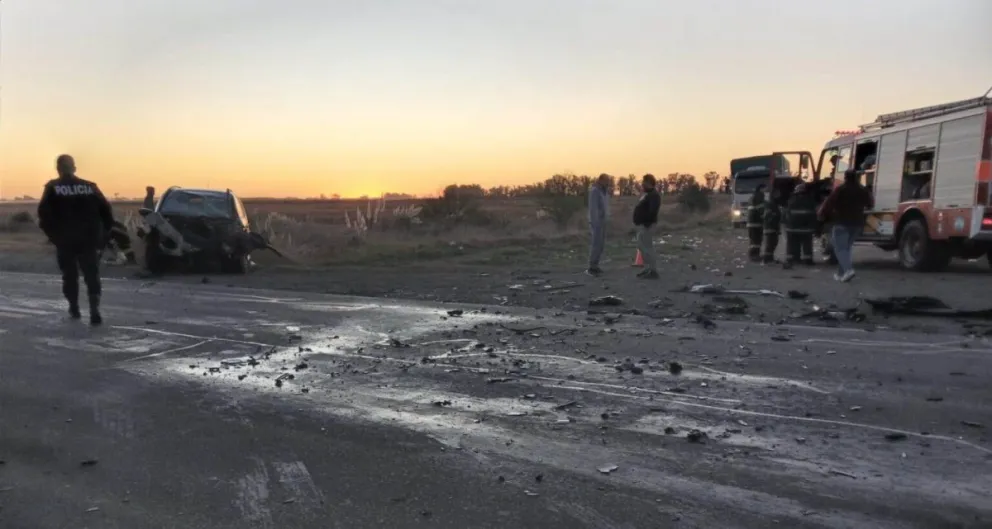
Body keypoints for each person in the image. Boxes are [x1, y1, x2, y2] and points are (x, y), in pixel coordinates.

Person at [37, 154, 114, 325]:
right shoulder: (90, 187)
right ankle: (94, 310)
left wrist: (54, 237)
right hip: (89, 240)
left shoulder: (53, 188)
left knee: (69, 276)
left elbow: (43, 216)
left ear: (58, 169)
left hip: (65, 241)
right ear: (74, 168)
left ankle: (74, 307)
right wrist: (102, 237)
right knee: (92, 275)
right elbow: (107, 213)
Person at [818, 168, 873, 282]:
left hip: (842, 223)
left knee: (839, 248)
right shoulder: (862, 190)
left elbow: (828, 203)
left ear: (845, 177)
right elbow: (870, 204)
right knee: (846, 249)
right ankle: (841, 273)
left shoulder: (840, 189)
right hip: (857, 224)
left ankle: (848, 270)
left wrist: (821, 215)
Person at [632, 173, 661, 279]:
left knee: (647, 247)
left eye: (644, 182)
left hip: (648, 224)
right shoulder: (647, 194)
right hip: (644, 224)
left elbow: (652, 211)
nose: (642, 184)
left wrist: (644, 220)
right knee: (642, 245)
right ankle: (648, 268)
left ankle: (653, 270)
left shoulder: (654, 195)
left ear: (649, 182)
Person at [783, 183, 817, 267]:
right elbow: (813, 215)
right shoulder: (810, 201)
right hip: (806, 228)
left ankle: (792, 259)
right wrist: (815, 226)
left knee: (792, 244)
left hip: (792, 228)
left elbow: (785, 214)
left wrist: (786, 224)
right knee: (807, 244)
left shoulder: (791, 200)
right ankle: (807, 260)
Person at [586, 173, 611, 276]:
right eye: (606, 181)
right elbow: (593, 209)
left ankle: (596, 265)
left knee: (601, 245)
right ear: (600, 180)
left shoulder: (604, 192)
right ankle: (592, 266)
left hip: (603, 221)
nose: (608, 183)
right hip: (597, 222)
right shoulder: (595, 191)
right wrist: (594, 222)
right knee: (596, 244)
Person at [745, 185, 765, 262]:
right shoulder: (759, 197)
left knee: (754, 240)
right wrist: (766, 218)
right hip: (756, 223)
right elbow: (761, 210)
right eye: (764, 188)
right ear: (760, 189)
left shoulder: (753, 197)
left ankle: (754, 255)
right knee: (756, 241)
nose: (765, 190)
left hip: (752, 223)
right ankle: (754, 256)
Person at [761, 189, 782, 264]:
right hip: (770, 227)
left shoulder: (774, 204)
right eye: (777, 194)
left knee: (773, 243)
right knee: (770, 243)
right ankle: (766, 259)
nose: (779, 196)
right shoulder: (770, 204)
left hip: (773, 227)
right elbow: (768, 216)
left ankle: (770, 258)